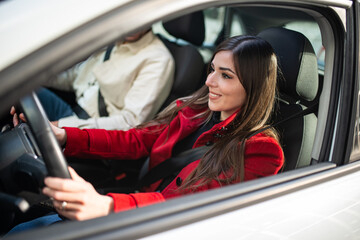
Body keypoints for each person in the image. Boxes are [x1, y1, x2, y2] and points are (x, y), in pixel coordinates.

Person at [8, 35, 284, 233]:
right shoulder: (194, 109)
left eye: (225, 75)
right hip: (136, 204)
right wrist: (66, 136)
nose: (209, 80)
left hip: (158, 225)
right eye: (212, 69)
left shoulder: (260, 150)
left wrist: (107, 207)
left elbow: (189, 206)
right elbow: (136, 140)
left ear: (253, 86)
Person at [38, 27, 175, 130]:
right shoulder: (112, 40)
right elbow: (74, 77)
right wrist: (36, 78)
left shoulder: (157, 59)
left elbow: (129, 123)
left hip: (88, 131)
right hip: (71, 111)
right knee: (22, 90)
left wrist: (62, 126)